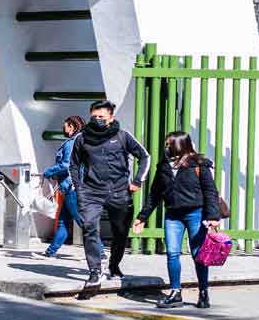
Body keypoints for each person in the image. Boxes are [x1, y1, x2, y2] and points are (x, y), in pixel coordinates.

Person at [133, 131, 221, 310]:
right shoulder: (164, 166)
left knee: (198, 254)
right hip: (173, 215)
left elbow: (211, 191)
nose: (166, 147)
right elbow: (155, 194)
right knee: (172, 253)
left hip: (195, 213)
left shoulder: (198, 164)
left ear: (180, 145)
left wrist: (213, 217)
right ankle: (175, 293)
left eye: (169, 144)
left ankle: (203, 291)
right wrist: (142, 217)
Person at [70, 100, 150, 289]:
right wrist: (79, 187)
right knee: (90, 228)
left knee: (121, 232)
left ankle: (114, 265)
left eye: (101, 117)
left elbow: (145, 156)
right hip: (91, 192)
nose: (97, 120)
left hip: (119, 192)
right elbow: (74, 164)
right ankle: (95, 271)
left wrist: (138, 180)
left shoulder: (122, 136)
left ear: (111, 117)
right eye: (94, 117)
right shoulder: (82, 138)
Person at [41, 116, 85, 258]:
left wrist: (49, 172)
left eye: (65, 126)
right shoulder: (81, 140)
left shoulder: (72, 143)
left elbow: (67, 165)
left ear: (71, 127)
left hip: (72, 188)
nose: (64, 128)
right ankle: (50, 252)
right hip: (71, 187)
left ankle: (100, 252)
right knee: (63, 222)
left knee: (82, 222)